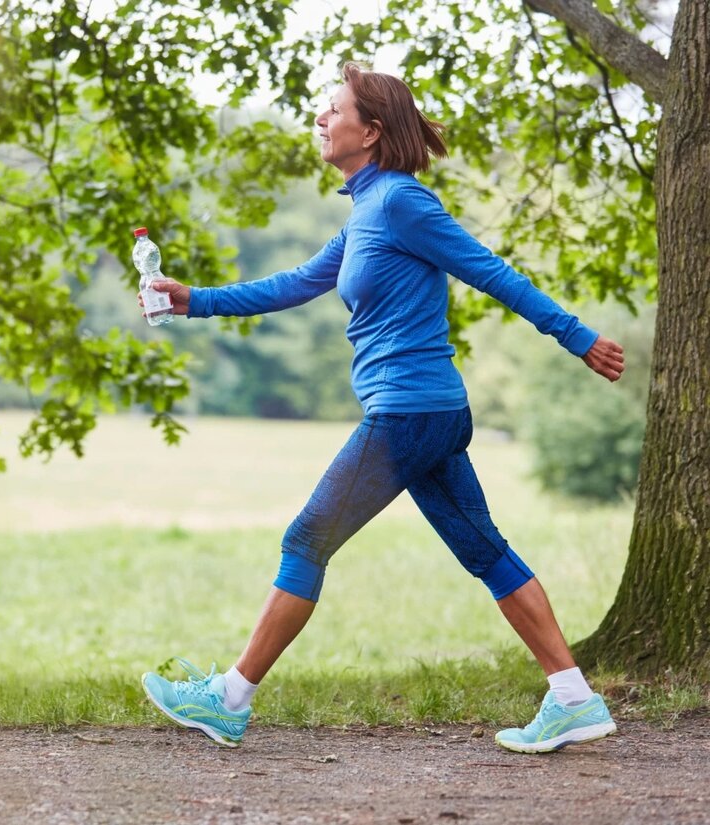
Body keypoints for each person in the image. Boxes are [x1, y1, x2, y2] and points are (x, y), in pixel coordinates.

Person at [139, 62, 625, 754]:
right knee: (484, 550)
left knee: (307, 539)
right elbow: (297, 282)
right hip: (425, 414)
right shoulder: (367, 210)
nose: (320, 119)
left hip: (407, 413)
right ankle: (574, 697)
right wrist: (195, 300)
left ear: (370, 131)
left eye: (332, 109)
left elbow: (489, 269)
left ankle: (229, 699)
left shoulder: (401, 202)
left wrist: (576, 336)